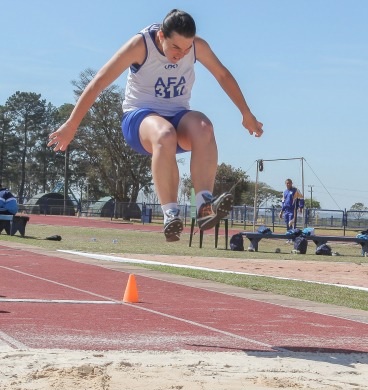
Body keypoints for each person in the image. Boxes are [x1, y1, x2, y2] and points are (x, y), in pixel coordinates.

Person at [48, 9, 263, 242]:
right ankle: (170, 213)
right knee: (165, 133)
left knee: (203, 126)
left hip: (178, 116)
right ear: (161, 36)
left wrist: (246, 112)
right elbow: (100, 81)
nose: (181, 54)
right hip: (139, 120)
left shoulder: (198, 46)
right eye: (175, 48)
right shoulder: (140, 45)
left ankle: (202, 206)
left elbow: (223, 75)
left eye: (187, 48)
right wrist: (72, 124)